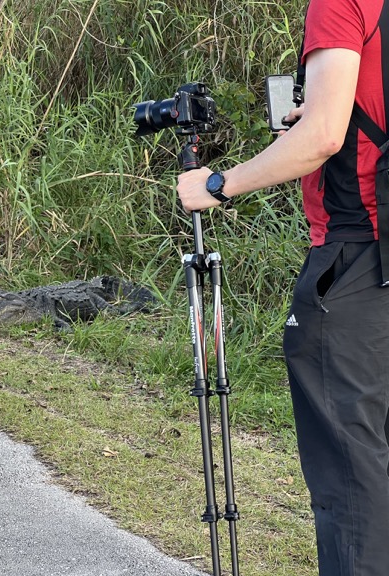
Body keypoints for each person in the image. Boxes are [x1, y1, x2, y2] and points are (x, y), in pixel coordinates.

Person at [178, 1, 389, 574]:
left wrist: (219, 184)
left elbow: (321, 135)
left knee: (350, 465)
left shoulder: (341, 4)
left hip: (357, 257)